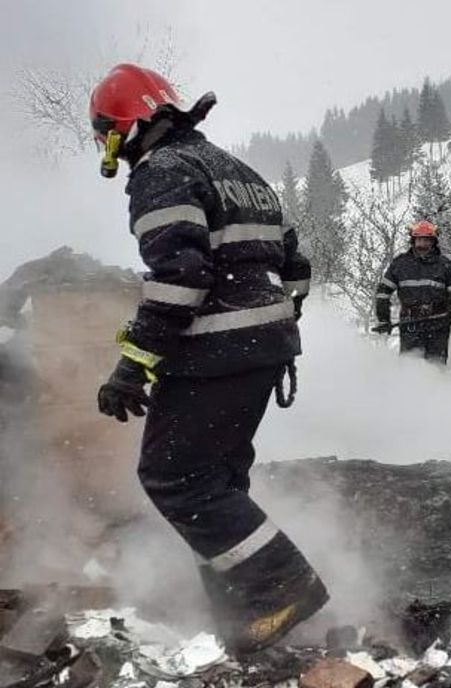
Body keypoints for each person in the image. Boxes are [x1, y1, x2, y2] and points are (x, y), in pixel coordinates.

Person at [89, 64, 327, 655]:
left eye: (104, 133)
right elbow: (293, 264)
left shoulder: (162, 174)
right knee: (218, 479)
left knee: (177, 479)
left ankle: (280, 587)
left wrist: (134, 362)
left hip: (215, 352)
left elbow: (179, 277)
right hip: (260, 349)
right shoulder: (235, 169)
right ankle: (238, 605)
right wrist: (275, 324)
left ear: (123, 127)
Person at [373, 220, 451, 365]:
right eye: (419, 239)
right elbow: (383, 293)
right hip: (411, 323)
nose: (422, 243)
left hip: (438, 322)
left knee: (437, 365)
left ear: (433, 241)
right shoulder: (400, 264)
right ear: (413, 240)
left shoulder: (444, 264)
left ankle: (439, 387)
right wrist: (384, 318)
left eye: (426, 239)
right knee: (410, 365)